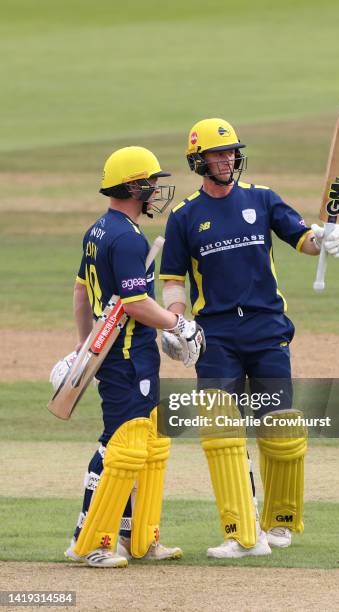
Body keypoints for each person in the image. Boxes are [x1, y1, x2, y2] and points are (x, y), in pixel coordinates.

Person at [159, 118, 339, 558]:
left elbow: (303, 238)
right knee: (222, 433)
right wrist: (175, 322)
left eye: (231, 152)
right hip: (217, 336)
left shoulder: (262, 199)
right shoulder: (185, 217)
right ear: (198, 161)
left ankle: (279, 523)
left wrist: (329, 237)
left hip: (267, 331)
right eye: (217, 154)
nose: (227, 159)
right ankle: (242, 533)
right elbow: (173, 280)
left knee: (278, 424)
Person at [50, 146, 205, 568]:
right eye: (152, 184)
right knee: (121, 447)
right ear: (133, 186)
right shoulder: (125, 238)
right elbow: (137, 303)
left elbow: (82, 290)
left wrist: (87, 348)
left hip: (119, 354)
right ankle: (92, 542)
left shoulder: (99, 230)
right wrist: (178, 325)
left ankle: (140, 538)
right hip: (126, 357)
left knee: (150, 446)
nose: (157, 191)